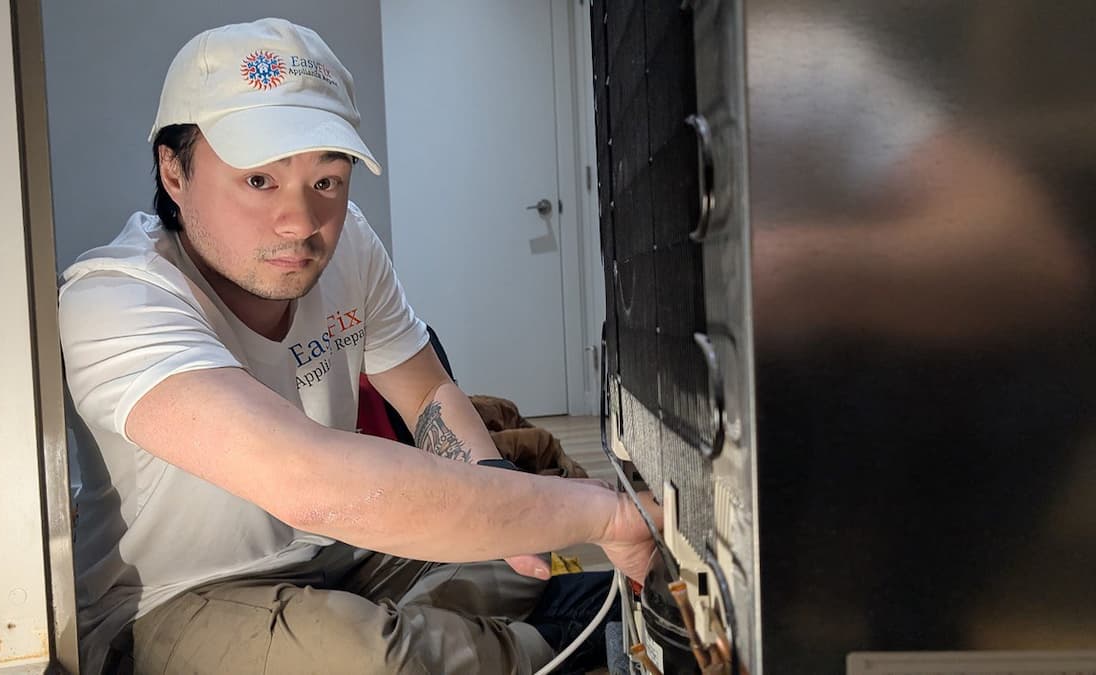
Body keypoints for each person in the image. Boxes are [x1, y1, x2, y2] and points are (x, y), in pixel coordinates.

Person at [59, 17, 657, 675]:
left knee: (527, 560)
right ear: (174, 172)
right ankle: (565, 655)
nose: (302, 221)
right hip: (169, 603)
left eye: (328, 180)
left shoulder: (350, 245)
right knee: (377, 658)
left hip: (335, 553)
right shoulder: (117, 298)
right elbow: (307, 479)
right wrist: (603, 514)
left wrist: (506, 507)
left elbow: (426, 390)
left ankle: (549, 638)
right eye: (259, 180)